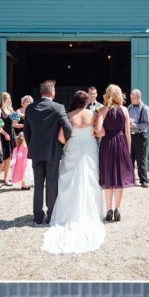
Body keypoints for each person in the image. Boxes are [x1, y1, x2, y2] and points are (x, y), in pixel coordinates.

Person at [42, 89, 105, 254]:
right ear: (86, 102)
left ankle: (67, 213)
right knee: (91, 178)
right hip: (90, 147)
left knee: (69, 179)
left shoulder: (69, 116)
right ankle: (94, 212)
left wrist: (71, 141)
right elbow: (100, 132)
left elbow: (61, 138)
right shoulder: (93, 114)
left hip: (73, 148)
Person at [24, 79, 73, 223]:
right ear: (52, 92)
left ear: (41, 92)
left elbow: (26, 131)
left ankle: (38, 216)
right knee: (52, 183)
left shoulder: (30, 108)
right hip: (53, 151)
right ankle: (51, 214)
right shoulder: (58, 107)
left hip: (36, 152)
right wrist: (61, 144)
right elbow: (68, 129)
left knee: (38, 184)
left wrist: (32, 145)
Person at [94, 84, 133, 222]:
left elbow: (97, 130)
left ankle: (109, 209)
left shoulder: (103, 110)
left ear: (107, 95)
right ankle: (117, 209)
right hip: (121, 143)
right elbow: (128, 133)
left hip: (107, 144)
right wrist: (128, 150)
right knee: (119, 178)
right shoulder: (124, 110)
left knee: (108, 176)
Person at [128, 88, 149, 187]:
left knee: (140, 159)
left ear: (139, 97)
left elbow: (148, 124)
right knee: (130, 159)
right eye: (131, 98)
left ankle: (143, 181)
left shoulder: (146, 108)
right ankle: (130, 180)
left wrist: (136, 125)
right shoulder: (129, 107)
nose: (131, 100)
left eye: (133, 98)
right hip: (130, 136)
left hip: (140, 136)